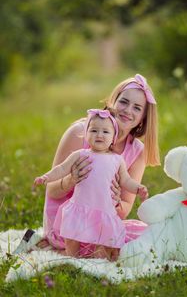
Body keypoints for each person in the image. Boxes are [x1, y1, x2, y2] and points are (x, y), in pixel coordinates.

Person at [42, 73, 160, 257]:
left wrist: (115, 202)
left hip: (100, 221)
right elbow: (52, 191)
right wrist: (71, 180)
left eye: (137, 108)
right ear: (113, 101)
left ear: (143, 117)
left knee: (150, 234)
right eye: (124, 102)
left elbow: (125, 208)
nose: (128, 110)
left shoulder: (137, 151)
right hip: (66, 225)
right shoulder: (80, 133)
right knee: (115, 246)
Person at [34, 109, 148, 260]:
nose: (99, 135)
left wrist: (138, 188)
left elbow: (125, 180)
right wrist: (46, 177)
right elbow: (61, 169)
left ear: (113, 137)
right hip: (78, 208)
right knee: (72, 239)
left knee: (102, 246)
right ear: (86, 134)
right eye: (93, 130)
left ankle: (98, 265)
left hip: (103, 210)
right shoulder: (80, 154)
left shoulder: (117, 160)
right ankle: (72, 260)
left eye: (105, 132)